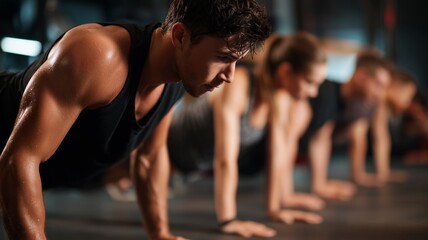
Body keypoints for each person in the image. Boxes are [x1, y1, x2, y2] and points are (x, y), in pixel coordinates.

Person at [0, 0, 271, 239]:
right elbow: (19, 159)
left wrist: (160, 233)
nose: (230, 76)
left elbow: (149, 159)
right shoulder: (97, 55)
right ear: (180, 36)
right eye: (223, 57)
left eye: (236, 62)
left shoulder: (176, 79)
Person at [167, 32, 327, 238]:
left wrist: (274, 208)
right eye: (310, 82)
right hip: (167, 148)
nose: (314, 92)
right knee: (115, 175)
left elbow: (276, 155)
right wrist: (228, 221)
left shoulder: (280, 99)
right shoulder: (240, 85)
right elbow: (225, 159)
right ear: (286, 72)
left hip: (189, 167)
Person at [297, 47, 394, 201]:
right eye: (378, 85)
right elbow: (320, 139)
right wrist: (320, 185)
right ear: (361, 75)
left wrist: (358, 175)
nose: (380, 94)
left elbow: (358, 136)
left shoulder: (359, 106)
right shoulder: (327, 91)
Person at [370, 67, 417, 181]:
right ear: (395, 87)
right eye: (408, 95)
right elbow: (378, 137)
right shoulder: (377, 100)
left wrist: (384, 173)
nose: (408, 101)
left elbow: (382, 137)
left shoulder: (383, 106)